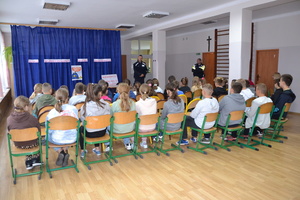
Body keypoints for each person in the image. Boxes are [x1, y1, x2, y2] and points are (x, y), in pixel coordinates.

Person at [7, 96, 42, 170]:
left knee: (26, 141)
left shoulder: (9, 119)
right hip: (33, 143)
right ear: (26, 107)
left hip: (18, 145)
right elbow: (39, 132)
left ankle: (29, 162)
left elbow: (9, 131)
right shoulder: (32, 119)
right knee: (34, 141)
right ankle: (36, 159)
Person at [46, 88, 78, 167]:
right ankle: (65, 152)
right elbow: (77, 124)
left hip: (58, 140)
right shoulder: (74, 109)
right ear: (67, 98)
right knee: (67, 133)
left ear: (55, 98)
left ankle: (60, 152)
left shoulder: (52, 112)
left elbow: (48, 130)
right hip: (73, 138)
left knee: (47, 136)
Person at [79, 83, 111, 157]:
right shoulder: (106, 104)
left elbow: (83, 121)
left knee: (80, 129)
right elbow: (109, 116)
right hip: (102, 132)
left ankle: (83, 150)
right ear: (100, 93)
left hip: (90, 134)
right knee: (97, 124)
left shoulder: (85, 106)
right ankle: (97, 149)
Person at [111, 83, 136, 150]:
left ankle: (108, 146)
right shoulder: (133, 103)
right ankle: (128, 143)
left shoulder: (115, 104)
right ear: (129, 91)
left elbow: (110, 118)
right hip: (131, 129)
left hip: (117, 130)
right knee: (126, 123)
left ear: (118, 92)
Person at [135, 84, 157, 148]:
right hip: (153, 126)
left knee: (135, 123)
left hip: (141, 128)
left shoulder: (137, 104)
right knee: (145, 121)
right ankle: (144, 142)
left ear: (140, 92)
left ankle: (133, 143)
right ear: (149, 91)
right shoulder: (154, 101)